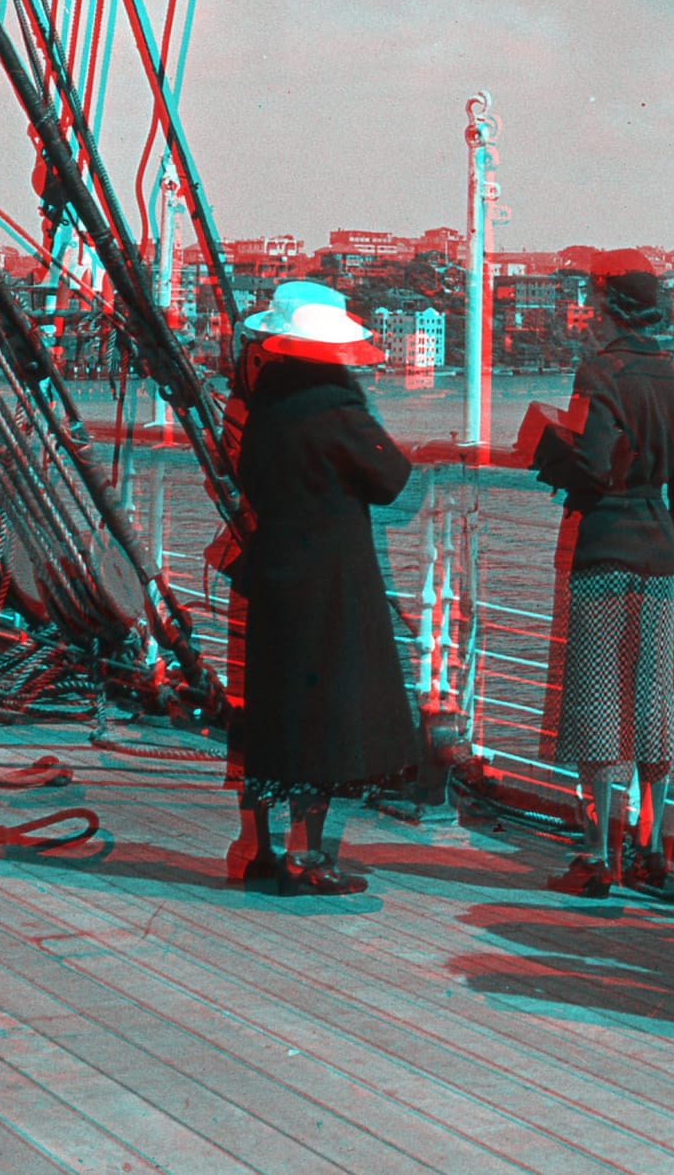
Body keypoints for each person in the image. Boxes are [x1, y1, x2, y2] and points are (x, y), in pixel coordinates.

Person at [226, 281, 421, 896]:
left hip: (275, 572)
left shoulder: (265, 408)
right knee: (325, 719)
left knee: (275, 711)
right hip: (331, 583)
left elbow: (249, 479)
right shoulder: (337, 410)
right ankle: (307, 858)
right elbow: (392, 479)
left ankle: (262, 850)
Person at [537, 251, 674, 898]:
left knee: (599, 703)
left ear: (610, 310)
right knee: (653, 703)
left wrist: (553, 456)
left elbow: (593, 463)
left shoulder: (599, 372)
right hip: (661, 552)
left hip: (605, 545)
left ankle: (601, 856)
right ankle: (653, 846)